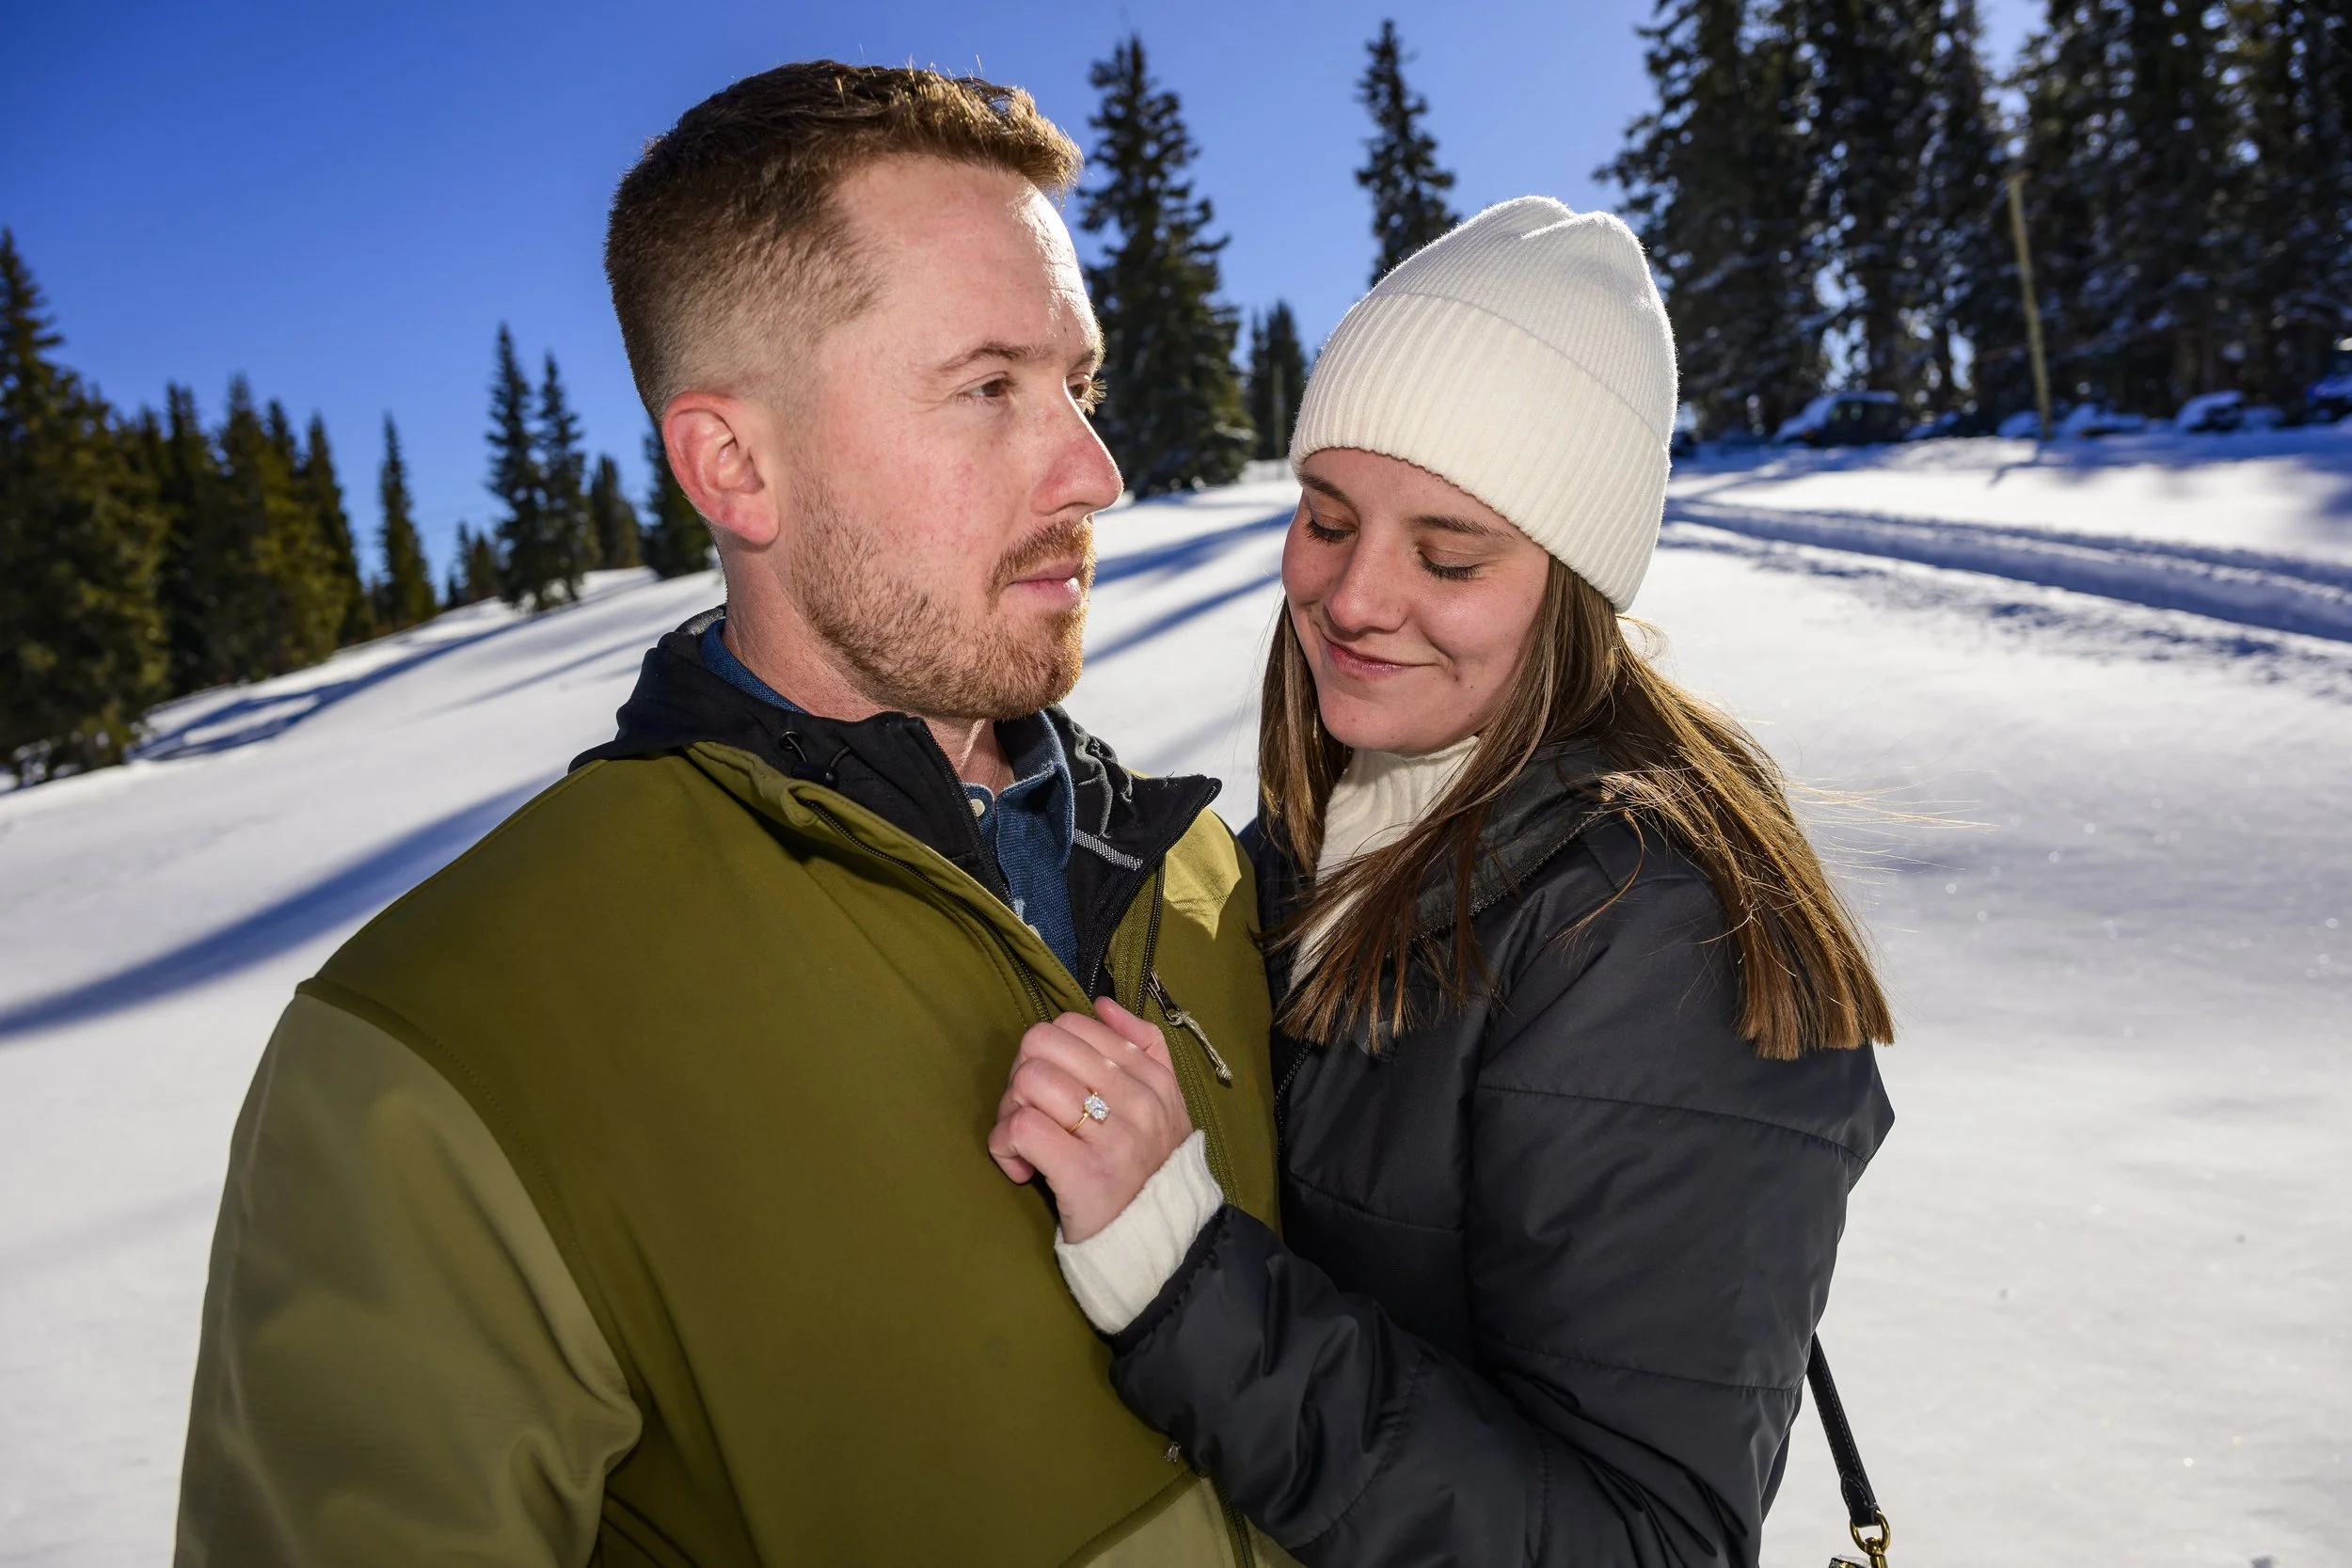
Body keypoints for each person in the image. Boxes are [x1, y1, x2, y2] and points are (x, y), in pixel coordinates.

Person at [175, 63, 1290, 1567]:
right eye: (987, 388)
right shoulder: (443, 1041)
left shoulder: (1200, 875)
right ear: (733, 465)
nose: (1094, 466)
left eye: (1078, 382)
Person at [990, 198, 1898, 1566]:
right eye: (1328, 517)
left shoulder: (1648, 927)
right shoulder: (1330, 841)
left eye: (1450, 553)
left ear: (1573, 585)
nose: (1355, 596)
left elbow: (1643, 1543)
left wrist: (1183, 1277)